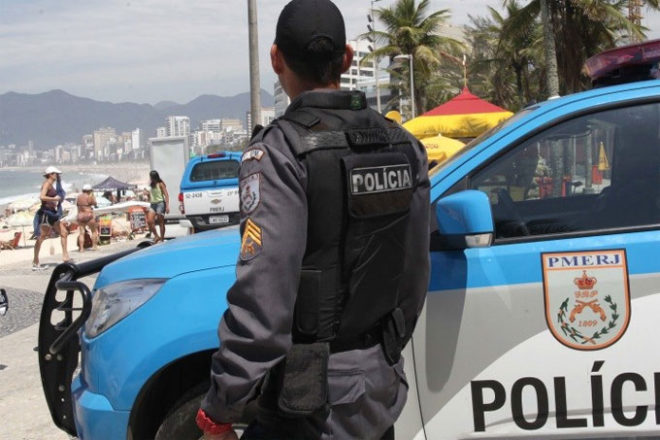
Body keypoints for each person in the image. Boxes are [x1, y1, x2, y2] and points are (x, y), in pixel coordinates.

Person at [197, 1, 430, 439]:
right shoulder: (404, 145)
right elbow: (415, 275)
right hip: (378, 389)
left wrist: (220, 407)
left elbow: (264, 301)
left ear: (276, 59)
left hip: (309, 405)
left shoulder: (281, 152)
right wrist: (381, 349)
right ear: (347, 58)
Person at [32, 166, 71, 270]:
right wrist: (54, 199)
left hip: (52, 213)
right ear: (50, 174)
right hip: (46, 213)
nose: (57, 175)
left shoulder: (51, 185)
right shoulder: (47, 184)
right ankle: (35, 261)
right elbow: (42, 196)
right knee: (41, 238)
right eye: (56, 174)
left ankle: (65, 256)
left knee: (64, 233)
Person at [144, 170, 169, 243]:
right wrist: (147, 194)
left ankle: (162, 239)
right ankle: (156, 236)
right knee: (149, 221)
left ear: (154, 177)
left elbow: (166, 195)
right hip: (153, 204)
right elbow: (151, 195)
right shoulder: (151, 185)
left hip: (160, 203)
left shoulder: (160, 184)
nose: (150, 178)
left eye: (151, 177)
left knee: (160, 222)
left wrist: (167, 206)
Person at [76, 184, 98, 252]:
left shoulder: (78, 197)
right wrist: (93, 195)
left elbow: (77, 205)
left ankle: (81, 249)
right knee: (93, 231)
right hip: (88, 214)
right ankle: (94, 246)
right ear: (89, 191)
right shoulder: (89, 196)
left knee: (81, 233)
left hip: (80, 215)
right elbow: (95, 203)